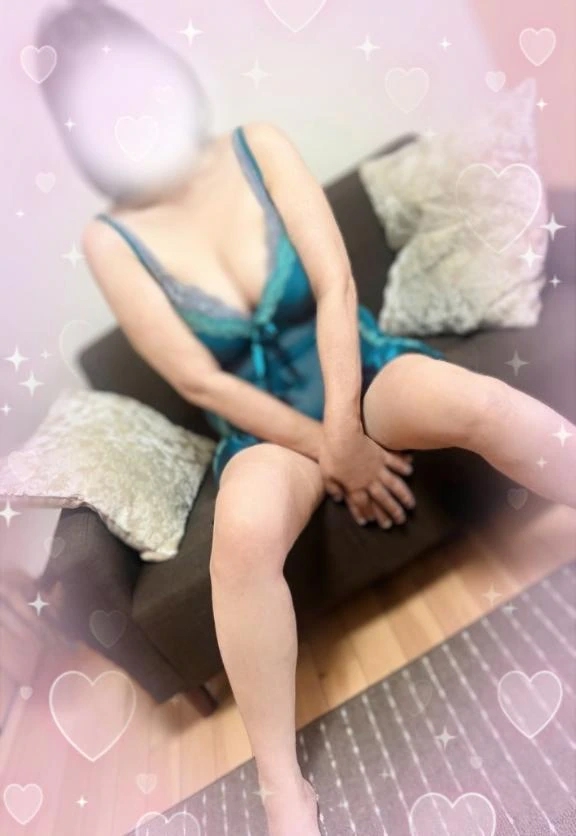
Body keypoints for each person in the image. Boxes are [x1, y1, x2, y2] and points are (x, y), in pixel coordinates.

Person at [37, 3, 576, 834]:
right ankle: (280, 787)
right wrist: (328, 451)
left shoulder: (258, 145)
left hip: (360, 369)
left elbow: (334, 285)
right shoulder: (110, 239)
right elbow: (200, 381)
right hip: (262, 429)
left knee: (478, 401)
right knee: (242, 538)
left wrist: (350, 430)